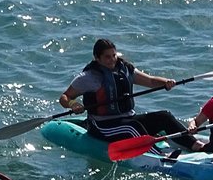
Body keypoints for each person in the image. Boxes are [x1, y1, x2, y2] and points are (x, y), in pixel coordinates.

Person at [59, 38, 204, 153]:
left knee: (164, 116)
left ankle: (196, 145)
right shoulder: (88, 77)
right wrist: (73, 104)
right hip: (102, 126)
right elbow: (65, 97)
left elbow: (151, 81)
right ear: (97, 58)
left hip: (127, 119)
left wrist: (166, 82)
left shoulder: (125, 70)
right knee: (132, 127)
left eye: (114, 55)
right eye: (107, 57)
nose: (112, 59)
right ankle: (160, 156)